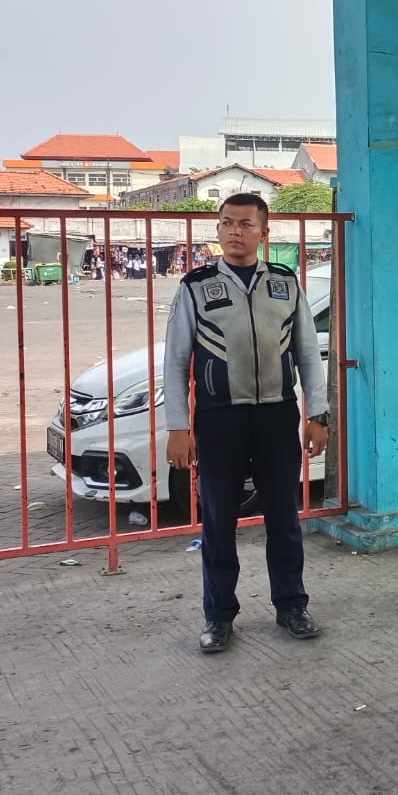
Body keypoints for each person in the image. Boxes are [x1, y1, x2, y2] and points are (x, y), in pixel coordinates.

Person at [164, 192, 329, 654]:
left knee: (284, 518)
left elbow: (307, 354)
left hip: (277, 414)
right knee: (218, 521)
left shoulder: (285, 283)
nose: (234, 231)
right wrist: (178, 427)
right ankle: (218, 616)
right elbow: (175, 361)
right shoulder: (195, 286)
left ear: (263, 232)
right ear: (218, 229)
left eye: (244, 224)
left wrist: (318, 415)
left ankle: (291, 605)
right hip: (219, 418)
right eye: (226, 223)